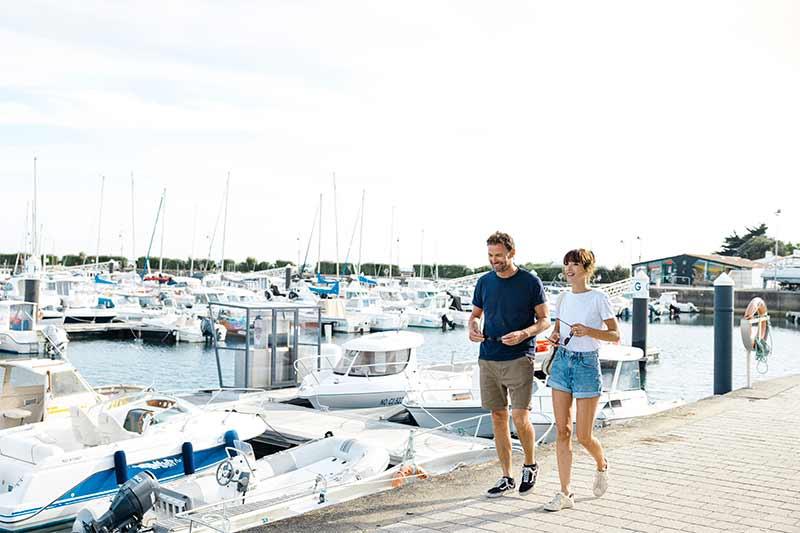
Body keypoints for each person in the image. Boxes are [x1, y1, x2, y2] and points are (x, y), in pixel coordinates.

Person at [468, 231, 550, 497]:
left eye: (499, 256)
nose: (494, 261)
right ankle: (506, 476)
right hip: (488, 355)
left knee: (520, 416)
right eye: (491, 256)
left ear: (511, 253)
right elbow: (475, 315)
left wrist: (525, 334)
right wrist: (472, 327)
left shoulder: (530, 281)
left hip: (519, 357)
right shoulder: (484, 282)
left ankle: (530, 464)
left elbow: (544, 320)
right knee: (497, 416)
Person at [544, 249, 618, 512]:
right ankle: (565, 493)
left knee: (584, 436)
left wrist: (588, 331)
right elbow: (556, 330)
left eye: (575, 264)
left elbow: (615, 335)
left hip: (587, 364)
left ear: (588, 268)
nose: (569, 269)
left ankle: (602, 464)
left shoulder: (599, 298)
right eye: (566, 264)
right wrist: (553, 337)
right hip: (563, 363)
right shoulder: (562, 298)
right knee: (562, 431)